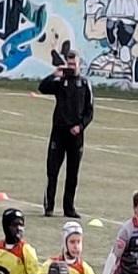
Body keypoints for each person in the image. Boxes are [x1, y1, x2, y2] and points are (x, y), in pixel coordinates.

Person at [38, 50, 93, 218]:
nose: (71, 67)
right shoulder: (60, 82)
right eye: (68, 64)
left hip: (76, 135)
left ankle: (69, 207)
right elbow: (42, 88)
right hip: (59, 133)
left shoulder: (84, 84)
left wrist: (81, 126)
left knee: (72, 172)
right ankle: (49, 206)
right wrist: (54, 74)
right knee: (52, 171)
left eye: (73, 64)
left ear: (79, 64)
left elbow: (89, 111)